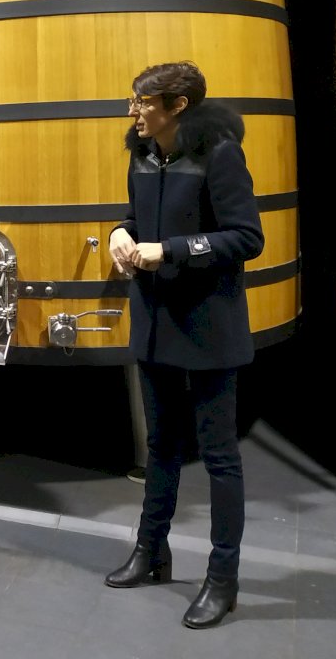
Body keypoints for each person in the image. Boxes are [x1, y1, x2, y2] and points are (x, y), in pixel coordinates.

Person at [104, 61, 264, 629]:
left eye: (144, 102)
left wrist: (170, 249)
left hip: (208, 326)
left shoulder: (219, 154)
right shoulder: (143, 154)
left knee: (219, 457)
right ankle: (151, 552)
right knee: (161, 448)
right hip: (154, 323)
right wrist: (121, 234)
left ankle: (222, 578)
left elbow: (247, 237)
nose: (134, 111)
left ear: (178, 107)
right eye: (133, 99)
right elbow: (134, 218)